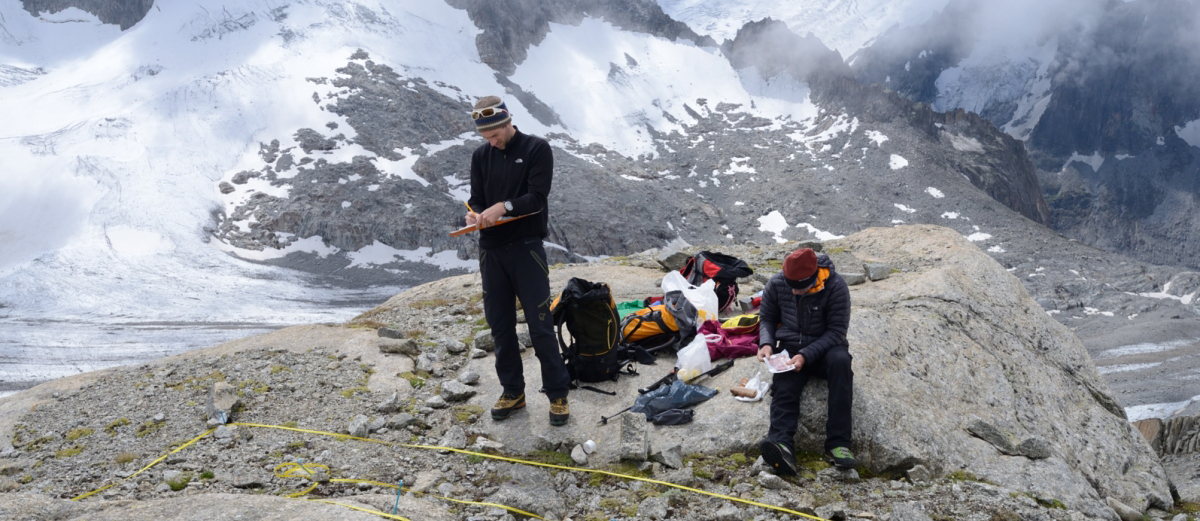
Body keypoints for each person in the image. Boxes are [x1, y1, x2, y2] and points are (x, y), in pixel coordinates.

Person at [465, 96, 571, 426]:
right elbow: (477, 199)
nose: (492, 142)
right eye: (487, 138)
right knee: (500, 326)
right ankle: (513, 391)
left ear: (508, 122)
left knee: (540, 325)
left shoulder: (537, 149)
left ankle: (557, 395)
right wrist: (473, 215)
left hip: (526, 249)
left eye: (496, 135)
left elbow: (537, 198)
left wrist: (504, 207)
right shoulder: (481, 155)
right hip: (492, 251)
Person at [755, 247, 854, 473]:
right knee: (784, 387)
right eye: (792, 287)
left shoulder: (836, 286)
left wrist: (806, 355)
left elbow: (837, 331)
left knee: (841, 365)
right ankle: (782, 445)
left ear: (813, 277)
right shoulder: (777, 284)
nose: (796, 293)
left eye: (801, 288)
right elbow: (767, 318)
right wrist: (767, 343)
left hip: (827, 348)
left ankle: (839, 444)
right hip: (791, 348)